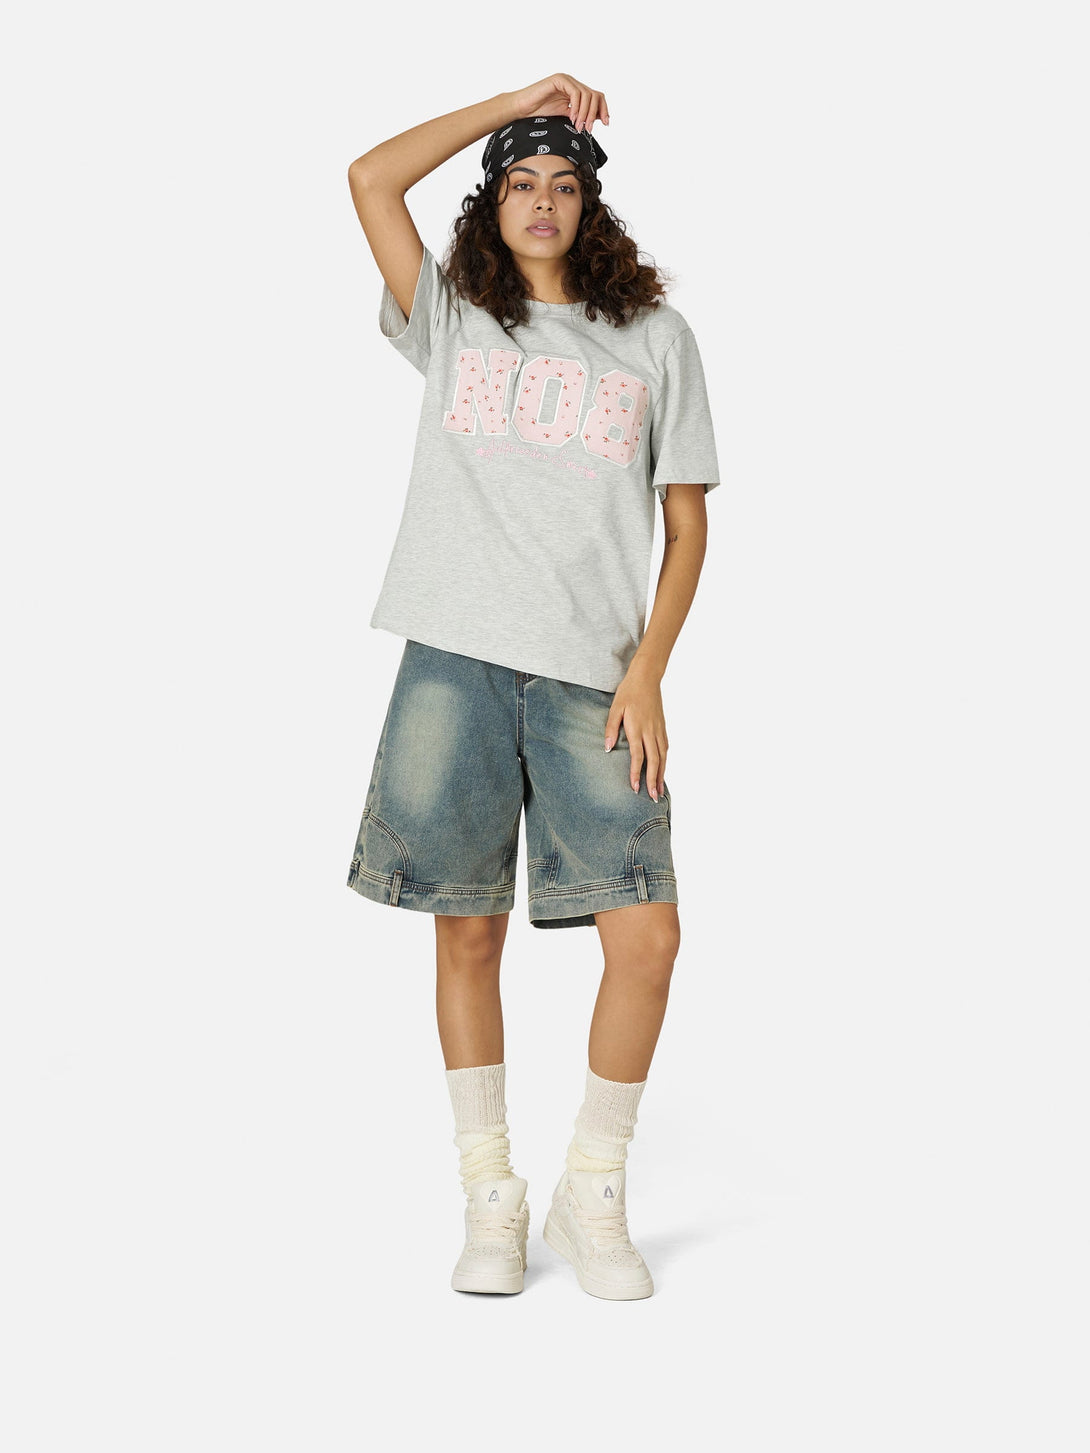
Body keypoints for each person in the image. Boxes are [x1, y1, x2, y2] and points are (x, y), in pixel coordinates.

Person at [344, 74, 720, 1301]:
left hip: (591, 682)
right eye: (520, 182)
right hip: (452, 660)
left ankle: (591, 1187)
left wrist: (648, 671)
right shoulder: (451, 319)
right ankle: (489, 1196)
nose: (543, 201)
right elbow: (369, 178)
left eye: (563, 183)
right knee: (466, 926)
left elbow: (686, 526)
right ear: (492, 204)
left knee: (647, 935)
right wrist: (513, 96)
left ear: (590, 207)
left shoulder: (654, 339)